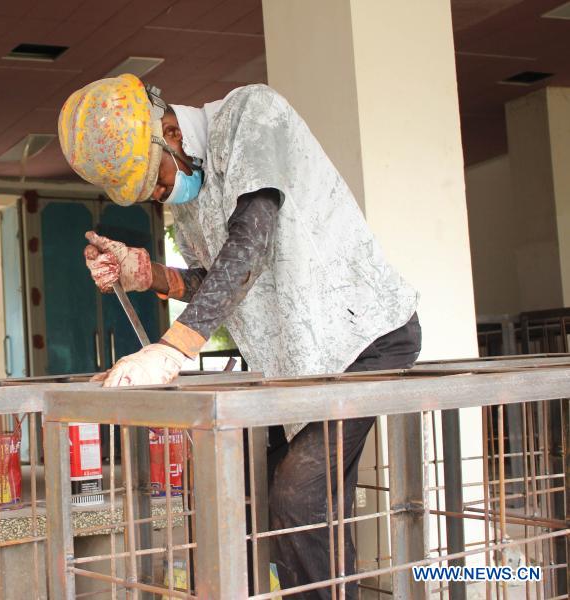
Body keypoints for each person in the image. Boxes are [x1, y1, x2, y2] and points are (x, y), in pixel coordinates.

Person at [58, 74, 422, 598]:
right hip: (297, 364)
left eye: (158, 182)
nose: (162, 193)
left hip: (363, 338)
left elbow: (253, 241)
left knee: (297, 497)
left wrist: (173, 348)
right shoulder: (190, 202)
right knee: (255, 492)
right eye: (152, 194)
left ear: (169, 132)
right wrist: (149, 275)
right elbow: (217, 279)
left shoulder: (251, 113)